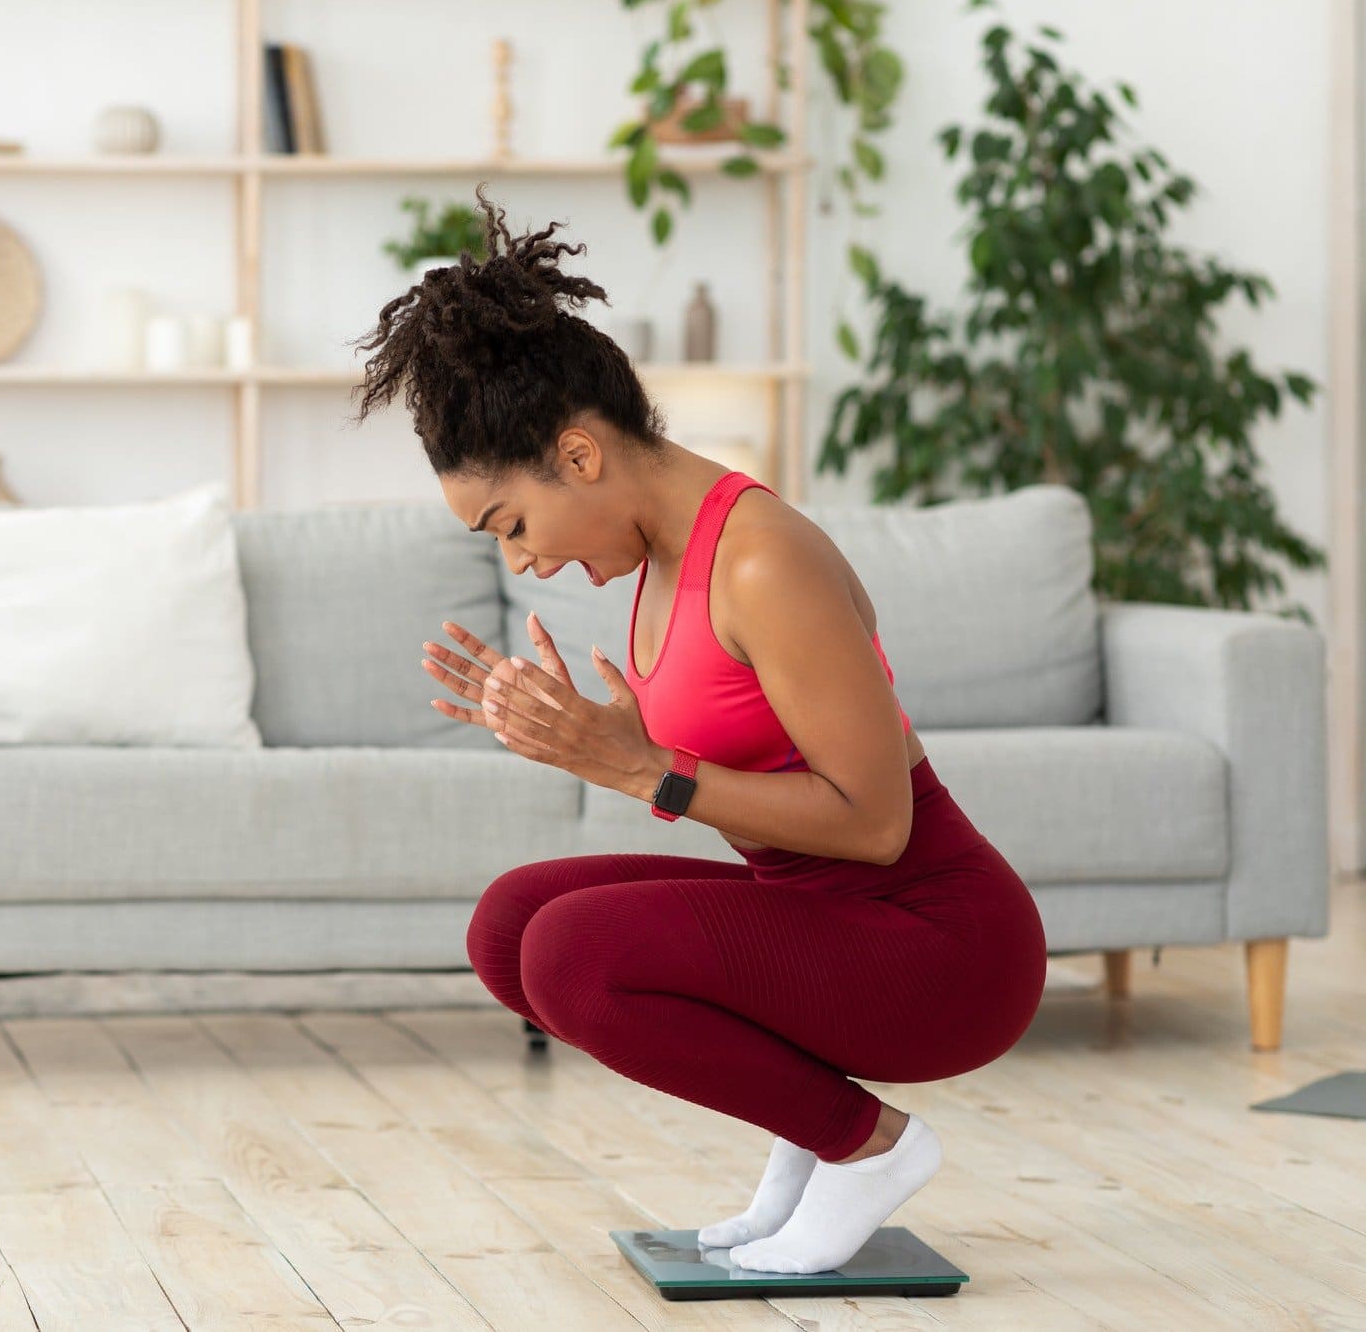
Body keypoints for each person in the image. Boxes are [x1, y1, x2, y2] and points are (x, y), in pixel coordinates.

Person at [346, 184, 1048, 1275]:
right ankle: (811, 1141)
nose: (520, 560)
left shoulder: (762, 559)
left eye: (512, 524)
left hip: (942, 950)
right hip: (823, 919)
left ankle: (864, 1148)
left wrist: (640, 767)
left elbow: (872, 826)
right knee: (511, 921)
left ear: (578, 455)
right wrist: (578, 736)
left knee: (575, 952)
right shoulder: (660, 558)